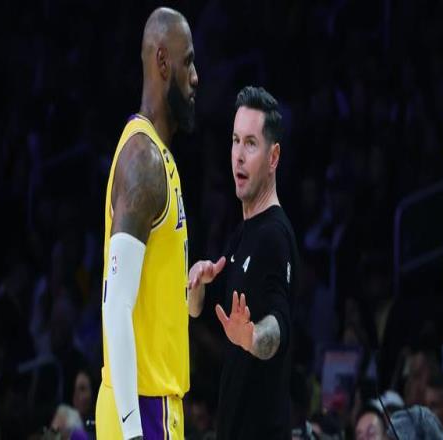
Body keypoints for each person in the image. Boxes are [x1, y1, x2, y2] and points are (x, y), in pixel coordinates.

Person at [95, 6, 198, 440]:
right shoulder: (143, 161)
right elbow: (115, 304)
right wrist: (134, 432)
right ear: (162, 61)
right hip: (144, 409)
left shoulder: (157, 155)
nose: (195, 78)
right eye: (188, 62)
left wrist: (188, 295)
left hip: (151, 404)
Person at [188, 86, 299, 439]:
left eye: (251, 143)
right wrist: (197, 285)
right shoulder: (242, 233)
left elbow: (279, 325)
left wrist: (252, 338)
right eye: (235, 140)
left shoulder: (274, 236)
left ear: (273, 156)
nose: (238, 155)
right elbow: (196, 312)